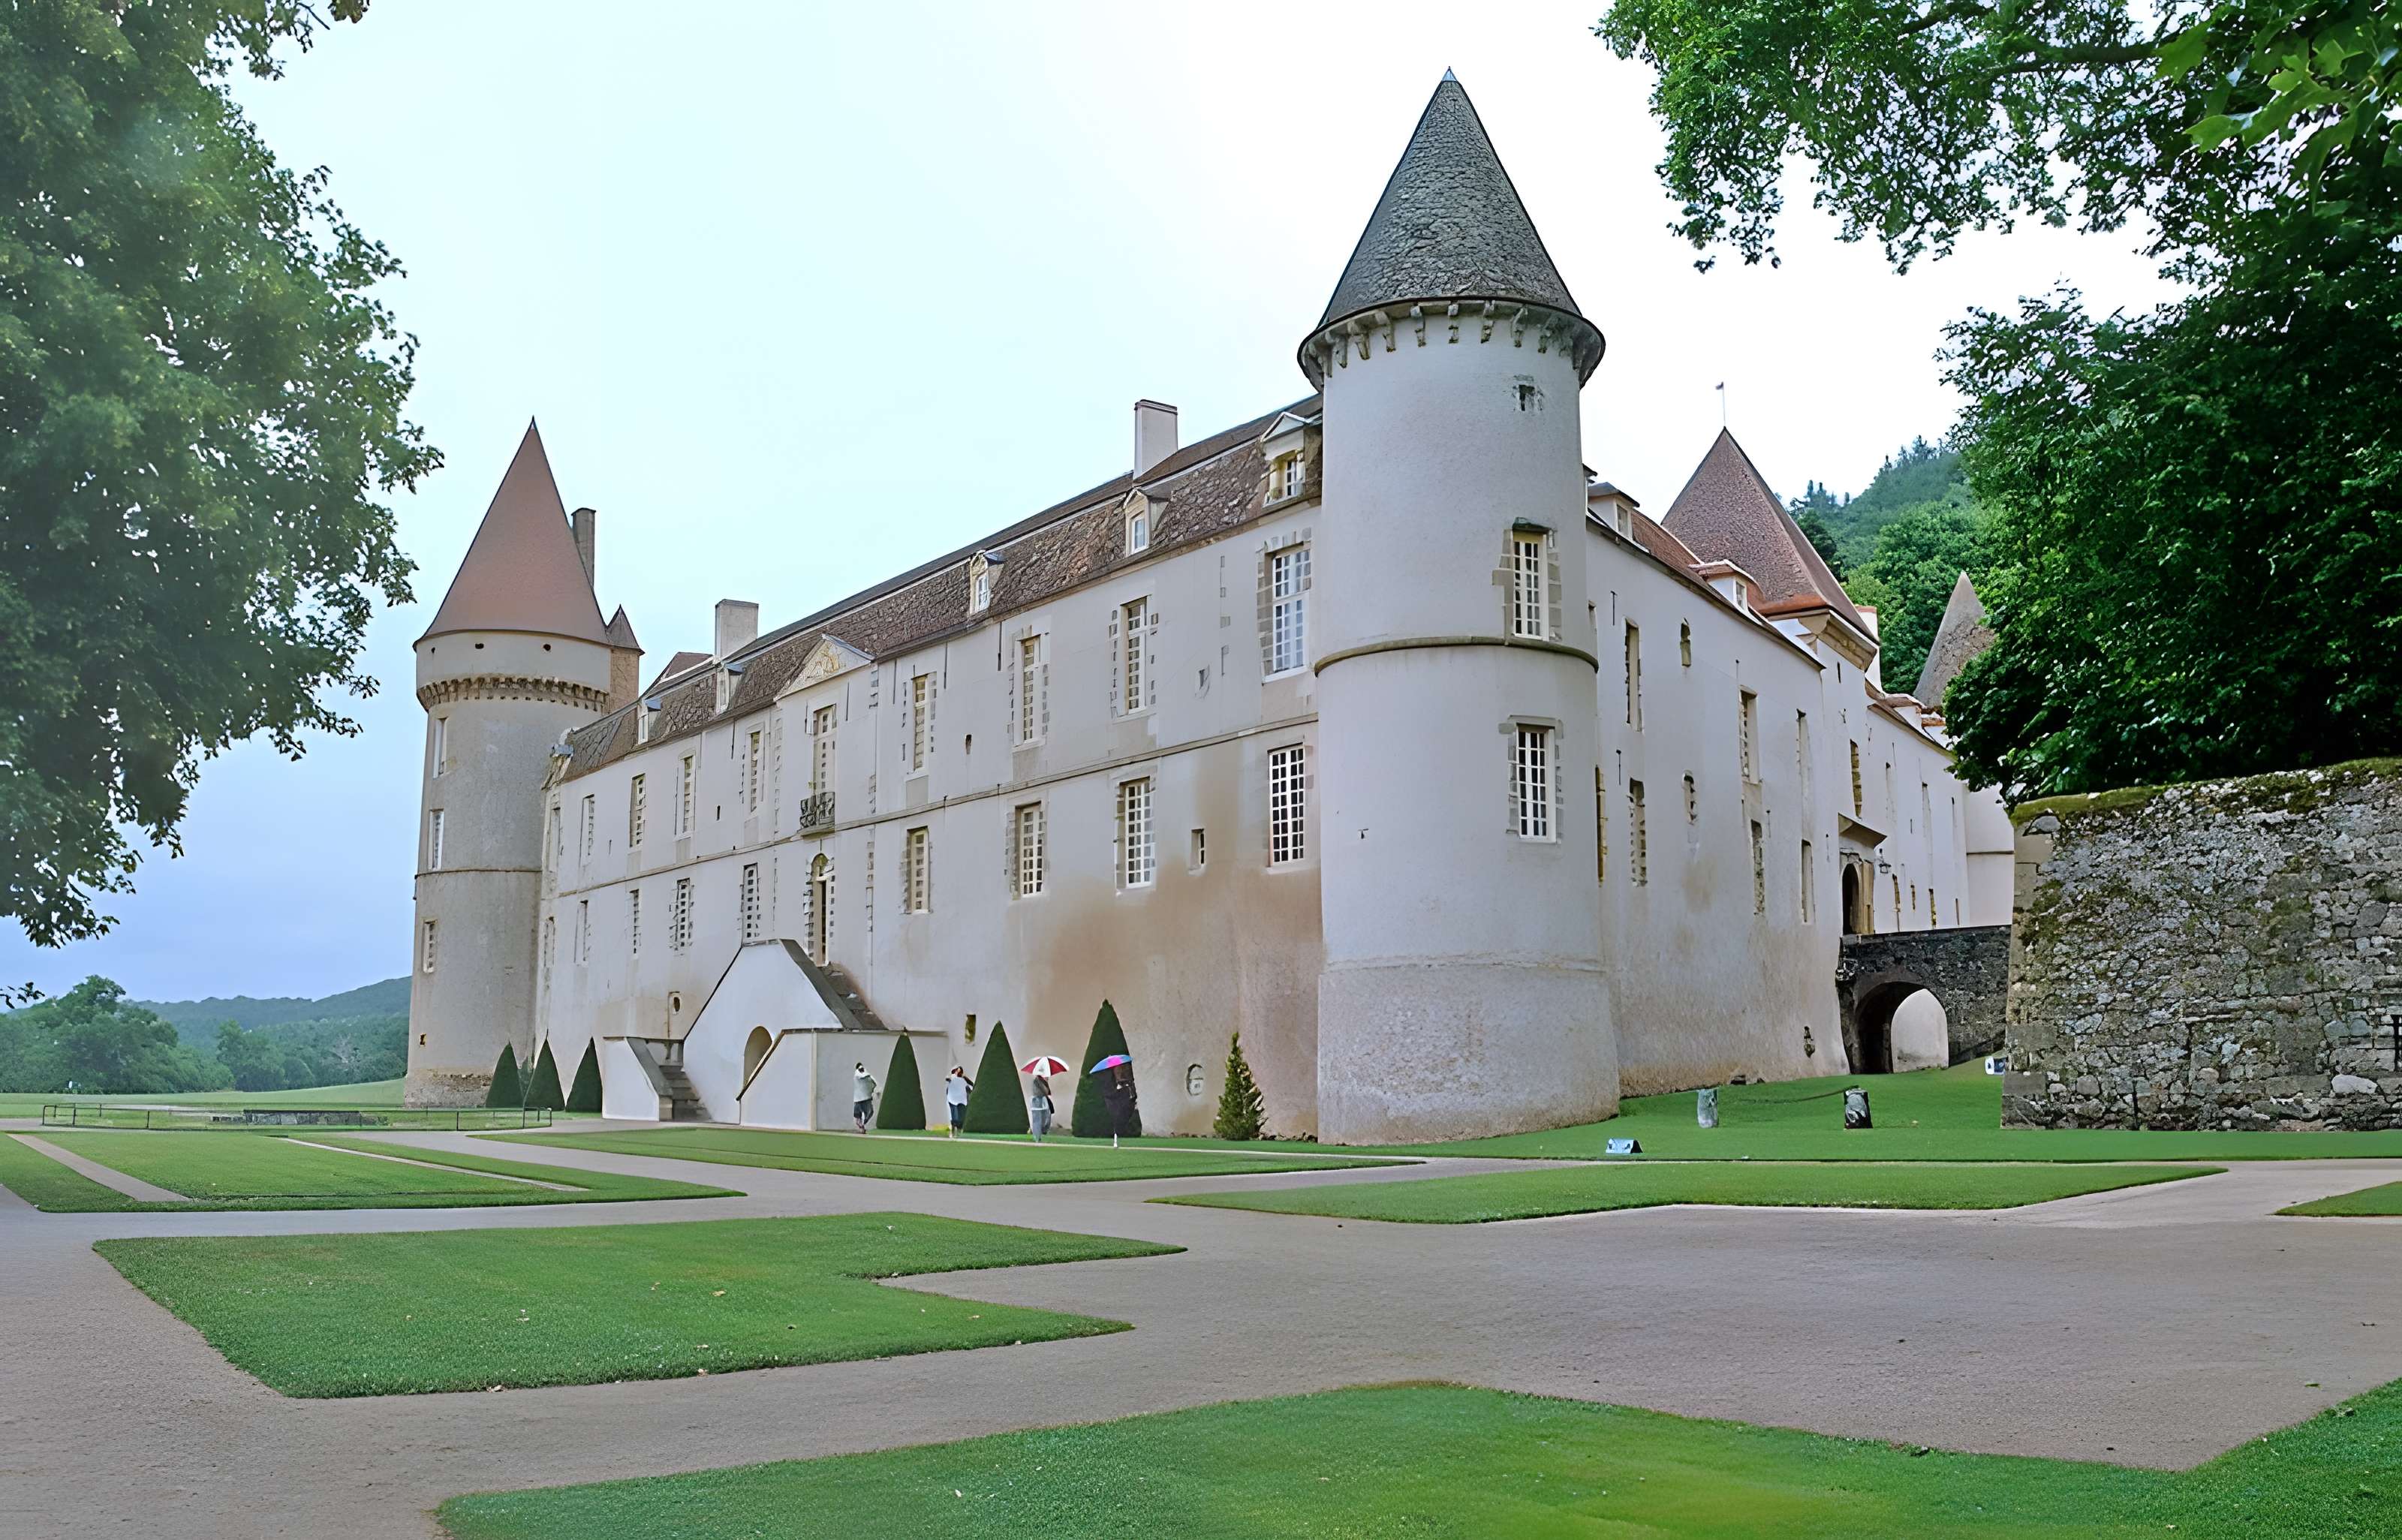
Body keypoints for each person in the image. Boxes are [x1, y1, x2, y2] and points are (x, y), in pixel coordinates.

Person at [1102, 1063, 1136, 1148]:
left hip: (1123, 1108)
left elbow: (1132, 1097)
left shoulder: (1128, 1086)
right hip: (1115, 1107)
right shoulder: (1111, 1083)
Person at [944, 1065, 973, 1138]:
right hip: (952, 1099)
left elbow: (970, 1085)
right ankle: (953, 1130)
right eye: (957, 1071)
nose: (958, 1072)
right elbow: (947, 1079)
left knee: (960, 1115)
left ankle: (959, 1130)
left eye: (959, 1071)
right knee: (953, 1115)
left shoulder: (963, 1079)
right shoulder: (952, 1078)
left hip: (961, 1100)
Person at [851, 1061, 877, 1134]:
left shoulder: (866, 1074)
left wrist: (873, 1089)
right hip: (858, 1100)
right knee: (857, 1118)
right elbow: (862, 1076)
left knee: (869, 1112)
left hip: (866, 1099)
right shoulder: (857, 1073)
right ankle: (862, 1127)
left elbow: (874, 1082)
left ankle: (863, 1126)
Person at [1028, 1072, 1054, 1142]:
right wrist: (1045, 1084)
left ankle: (1039, 1134)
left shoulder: (1043, 1082)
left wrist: (1046, 1083)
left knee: (1045, 1120)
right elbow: (1043, 1092)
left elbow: (1047, 1092)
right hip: (1037, 1104)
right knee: (1037, 1120)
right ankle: (1037, 1137)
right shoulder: (1037, 1081)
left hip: (1043, 1104)